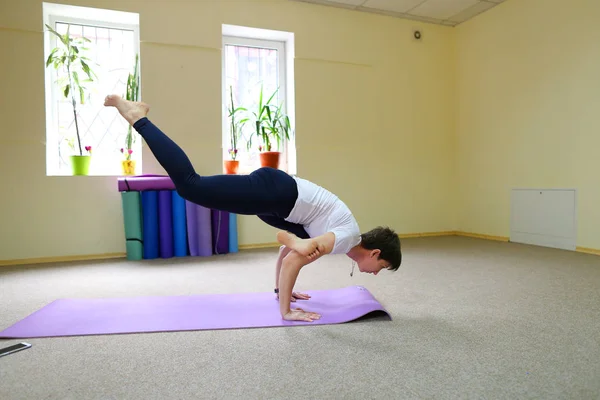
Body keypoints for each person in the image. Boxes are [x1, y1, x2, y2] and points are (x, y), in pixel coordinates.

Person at [104, 94, 402, 322]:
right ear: (375, 253)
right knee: (190, 185)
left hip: (278, 204)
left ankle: (138, 117)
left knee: (295, 245)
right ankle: (138, 117)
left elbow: (287, 251)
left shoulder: (342, 238)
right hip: (276, 194)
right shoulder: (346, 239)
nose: (376, 274)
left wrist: (282, 287)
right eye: (382, 267)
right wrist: (287, 311)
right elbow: (291, 257)